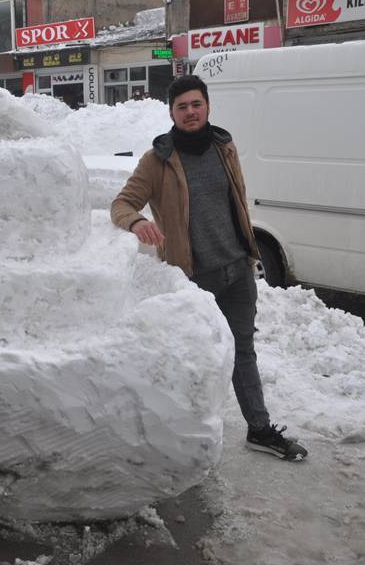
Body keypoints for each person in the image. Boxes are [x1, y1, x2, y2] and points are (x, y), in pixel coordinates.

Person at [111, 75, 308, 462]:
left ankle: (259, 428)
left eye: (196, 104)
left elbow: (237, 200)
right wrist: (136, 222)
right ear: (171, 112)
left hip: (237, 270)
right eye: (182, 106)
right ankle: (181, 437)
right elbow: (121, 203)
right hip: (193, 280)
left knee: (243, 351)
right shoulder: (157, 161)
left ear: (207, 106)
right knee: (191, 357)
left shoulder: (224, 147)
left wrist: (248, 253)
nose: (190, 112)